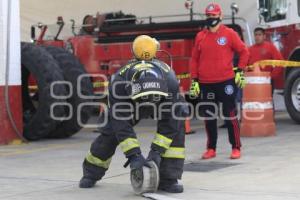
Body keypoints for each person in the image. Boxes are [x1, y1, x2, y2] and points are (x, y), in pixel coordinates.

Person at [79, 35, 186, 193]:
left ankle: (168, 178)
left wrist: (156, 152)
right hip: (130, 106)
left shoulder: (170, 81)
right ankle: (91, 173)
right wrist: (134, 156)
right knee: (110, 133)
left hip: (161, 102)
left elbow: (170, 122)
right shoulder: (119, 85)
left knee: (176, 130)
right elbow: (121, 125)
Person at [189, 3, 249, 159]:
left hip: (226, 82)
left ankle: (236, 147)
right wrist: (194, 80)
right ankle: (211, 148)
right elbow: (194, 59)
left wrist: (240, 71)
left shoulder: (229, 34)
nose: (211, 18)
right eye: (208, 16)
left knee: (230, 115)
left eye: (214, 15)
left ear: (220, 16)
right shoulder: (200, 36)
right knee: (209, 116)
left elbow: (244, 51)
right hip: (206, 83)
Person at [248, 27, 284, 93]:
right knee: (255, 102)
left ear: (264, 36)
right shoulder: (250, 49)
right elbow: (246, 65)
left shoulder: (270, 47)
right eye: (255, 35)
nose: (257, 37)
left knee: (267, 101)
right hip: (254, 81)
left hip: (267, 80)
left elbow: (280, 62)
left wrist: (271, 76)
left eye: (259, 35)